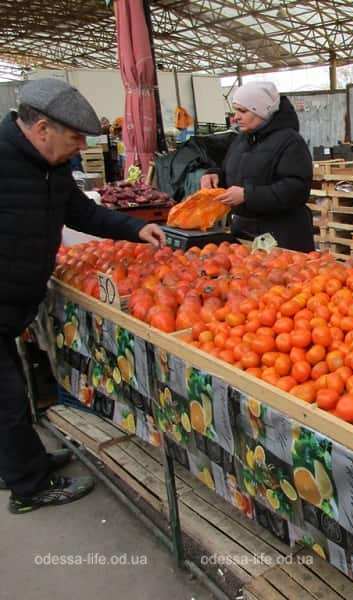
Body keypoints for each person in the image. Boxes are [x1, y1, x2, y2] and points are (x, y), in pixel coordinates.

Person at [0, 78, 165, 514]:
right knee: (8, 400)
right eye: (75, 138)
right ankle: (29, 488)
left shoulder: (49, 166)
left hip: (14, 300)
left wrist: (134, 229)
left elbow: (81, 212)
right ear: (41, 130)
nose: (80, 148)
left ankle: (20, 462)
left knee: (9, 388)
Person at [200, 81, 314, 251]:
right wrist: (215, 175)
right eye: (235, 110)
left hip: (281, 238)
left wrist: (248, 195)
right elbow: (232, 172)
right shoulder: (241, 139)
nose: (235, 117)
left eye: (243, 111)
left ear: (262, 111)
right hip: (245, 233)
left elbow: (297, 189)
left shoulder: (290, 142)